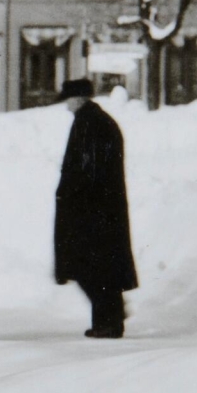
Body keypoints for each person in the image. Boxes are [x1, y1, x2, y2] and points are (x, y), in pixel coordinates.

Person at [53, 78, 138, 339]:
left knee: (90, 267)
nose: (66, 106)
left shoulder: (89, 123)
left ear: (78, 99)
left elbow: (87, 169)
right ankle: (109, 318)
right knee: (97, 268)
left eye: (68, 100)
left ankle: (109, 321)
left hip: (91, 210)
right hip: (100, 208)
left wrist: (74, 199)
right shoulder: (95, 120)